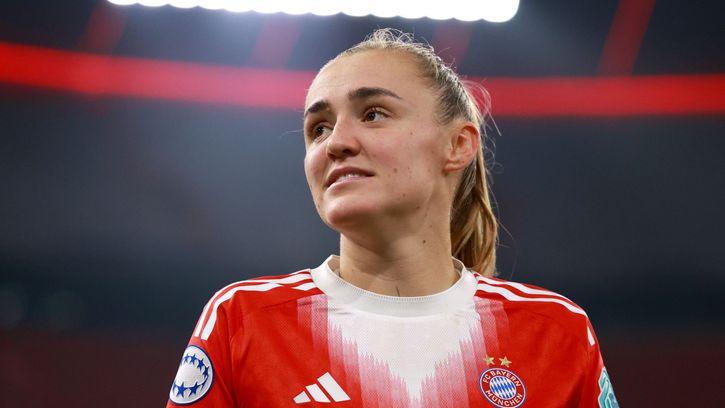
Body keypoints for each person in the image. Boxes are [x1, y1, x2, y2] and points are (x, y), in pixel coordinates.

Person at [166, 28, 618, 408]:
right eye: (319, 128)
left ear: (458, 145)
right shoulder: (242, 321)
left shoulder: (556, 332)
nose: (336, 142)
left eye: (373, 114)